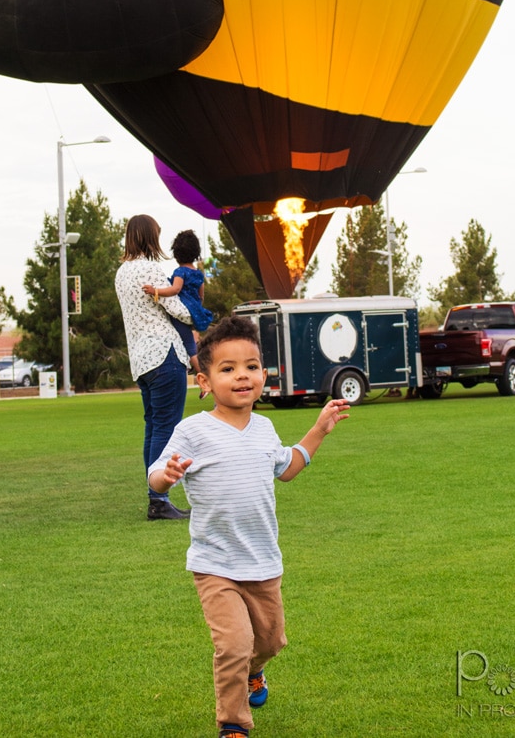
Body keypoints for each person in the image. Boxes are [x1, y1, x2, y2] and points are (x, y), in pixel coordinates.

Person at [148, 315, 349, 738]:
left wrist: (318, 431)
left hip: (263, 562)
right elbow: (155, 474)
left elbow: (287, 467)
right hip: (215, 563)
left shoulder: (265, 428)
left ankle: (256, 671)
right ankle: (233, 723)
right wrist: (166, 476)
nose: (242, 376)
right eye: (228, 368)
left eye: (251, 366)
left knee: (270, 642)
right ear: (204, 381)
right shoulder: (193, 430)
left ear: (263, 374)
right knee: (233, 645)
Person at [115, 214, 196, 521]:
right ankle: (158, 499)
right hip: (164, 352)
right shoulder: (150, 268)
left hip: (141, 360)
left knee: (153, 427)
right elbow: (179, 311)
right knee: (166, 427)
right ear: (150, 236)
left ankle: (156, 496)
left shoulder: (122, 273)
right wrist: (197, 304)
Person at [143, 228, 212, 393]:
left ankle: (205, 381)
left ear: (176, 254)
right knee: (187, 343)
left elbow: (175, 289)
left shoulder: (180, 272)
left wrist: (156, 291)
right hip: (193, 311)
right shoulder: (198, 273)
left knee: (189, 347)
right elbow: (201, 295)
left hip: (181, 313)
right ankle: (196, 373)